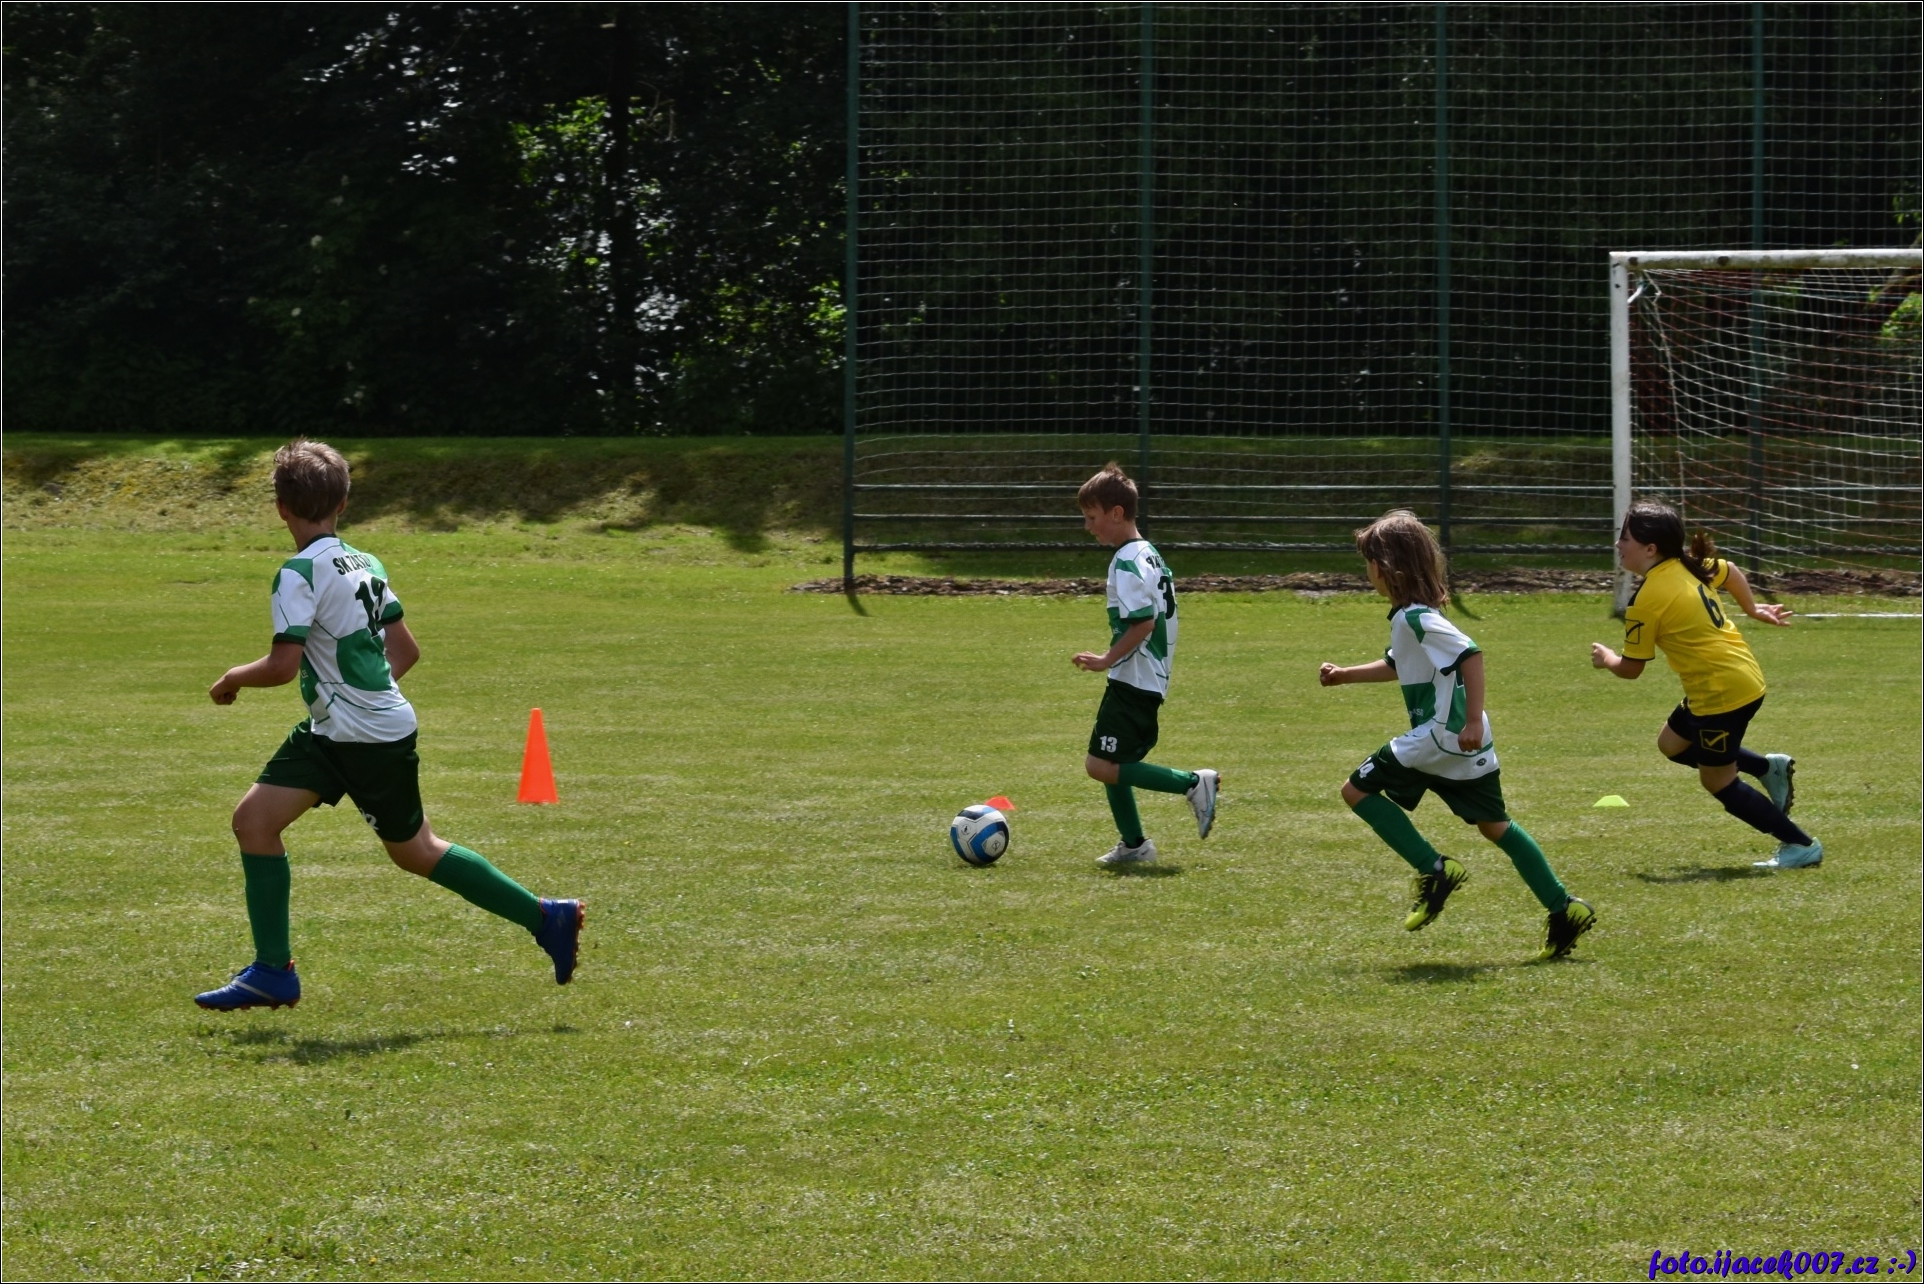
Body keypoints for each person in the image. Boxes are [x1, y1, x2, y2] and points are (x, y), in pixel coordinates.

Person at [195, 440, 584, 1010]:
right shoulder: (365, 563)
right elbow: (405, 650)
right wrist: (362, 698)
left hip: (364, 738)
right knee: (254, 822)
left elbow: (282, 667)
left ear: (280, 507)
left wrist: (231, 678)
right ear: (343, 503)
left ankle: (547, 917)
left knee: (416, 850)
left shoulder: (298, 573)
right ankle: (272, 972)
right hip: (337, 731)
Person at [1320, 510, 1595, 959]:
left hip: (1441, 735)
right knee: (1495, 826)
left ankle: (1435, 869)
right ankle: (1565, 908)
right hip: (1466, 741)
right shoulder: (1414, 617)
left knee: (1355, 790)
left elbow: (1471, 654)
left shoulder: (1416, 618)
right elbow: (1398, 664)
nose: (1366, 571)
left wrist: (1470, 719)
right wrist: (1344, 675)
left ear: (1388, 568)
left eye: (1368, 562)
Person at [1590, 500, 1817, 869]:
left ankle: (1800, 845)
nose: (1618, 544)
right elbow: (1730, 570)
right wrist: (1752, 608)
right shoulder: (1688, 564)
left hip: (1721, 695)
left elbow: (1631, 669)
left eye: (1625, 538)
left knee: (1718, 781)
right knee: (1671, 744)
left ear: (1650, 549)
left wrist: (1607, 659)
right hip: (1735, 678)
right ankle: (1767, 768)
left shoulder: (1646, 600)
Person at [1071, 463, 1219, 867]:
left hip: (1135, 677)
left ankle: (1193, 783)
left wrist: (1106, 659)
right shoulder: (1149, 553)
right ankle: (1134, 845)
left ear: (1117, 513)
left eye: (1092, 517)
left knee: (1099, 764)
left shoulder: (1126, 560)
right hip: (1143, 677)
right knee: (1112, 760)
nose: (1088, 527)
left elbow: (1143, 623)